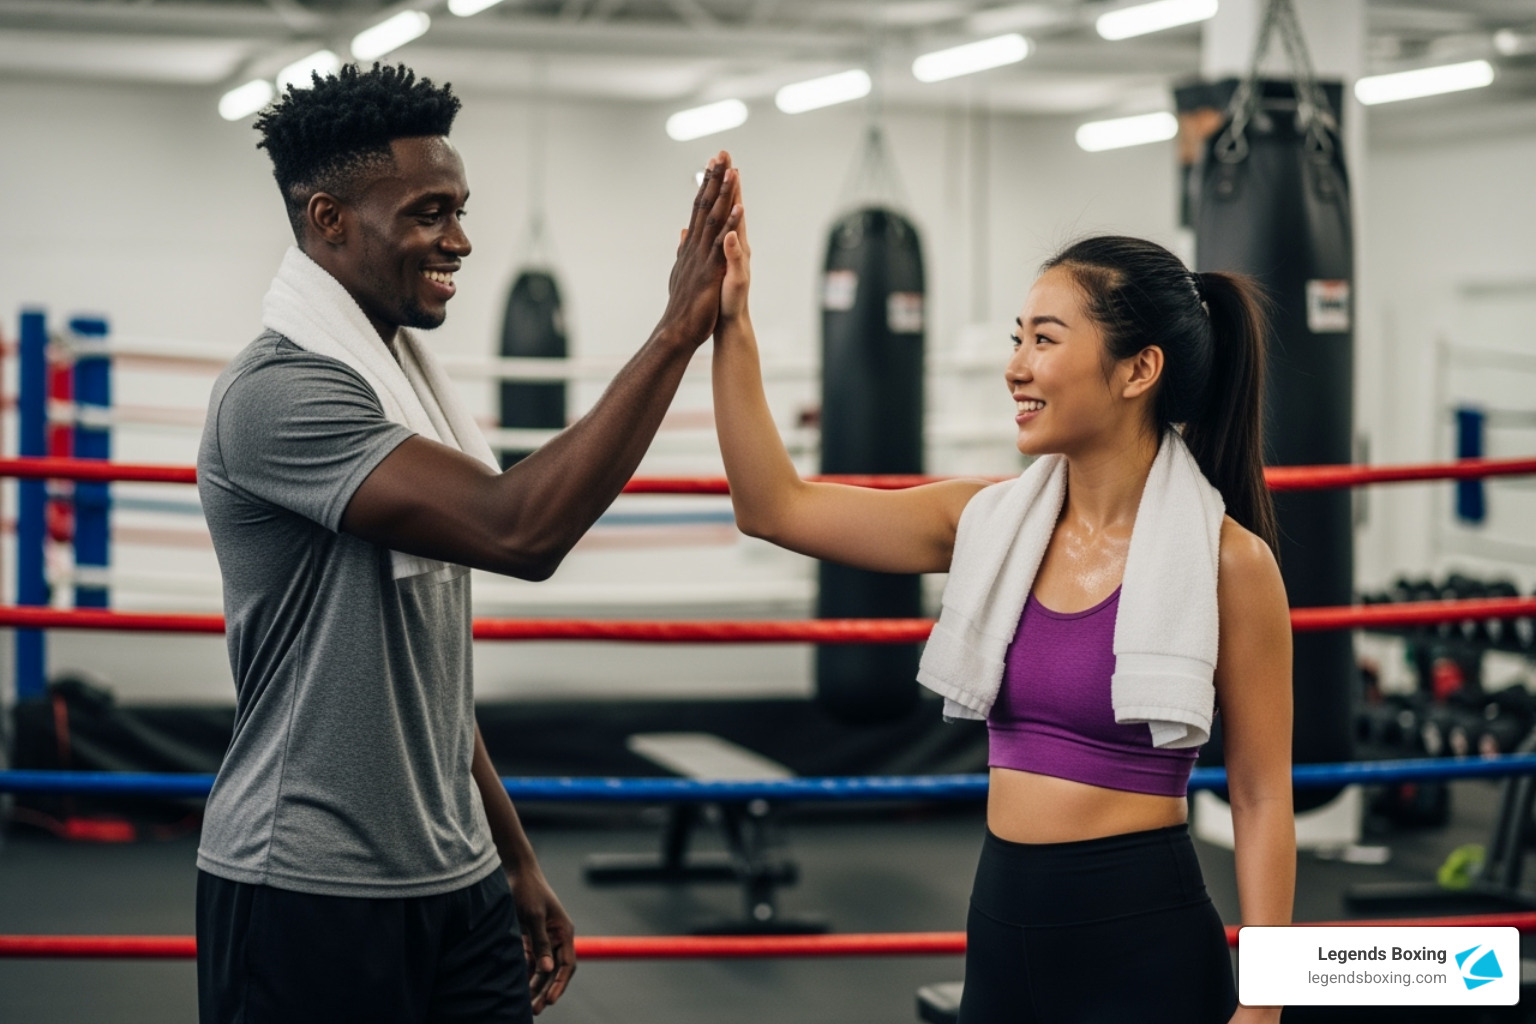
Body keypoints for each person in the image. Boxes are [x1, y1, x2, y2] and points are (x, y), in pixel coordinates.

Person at [194, 63, 741, 1024]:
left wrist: (511, 857)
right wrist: (674, 334)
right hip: (309, 885)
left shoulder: (402, 383)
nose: (460, 239)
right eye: (428, 213)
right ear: (329, 219)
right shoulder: (280, 394)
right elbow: (518, 528)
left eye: (458, 209)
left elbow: (428, 677)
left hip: (458, 875)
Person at [710, 193, 1294, 1023]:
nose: (1016, 366)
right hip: (1001, 930)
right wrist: (730, 324)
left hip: (1140, 937)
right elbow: (774, 507)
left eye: (1044, 340)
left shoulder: (1229, 563)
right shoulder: (987, 525)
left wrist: (1265, 1009)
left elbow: (1262, 798)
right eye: (1018, 339)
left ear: (1138, 370)